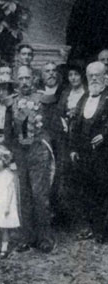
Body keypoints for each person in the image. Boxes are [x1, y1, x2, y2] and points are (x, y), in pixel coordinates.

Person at [5, 66, 55, 253]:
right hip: (20, 153)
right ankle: (28, 237)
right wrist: (11, 153)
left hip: (38, 151)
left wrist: (45, 146)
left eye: (27, 78)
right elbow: (8, 131)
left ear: (33, 79)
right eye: (21, 78)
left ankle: (45, 238)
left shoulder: (43, 99)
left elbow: (52, 126)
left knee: (39, 195)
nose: (24, 82)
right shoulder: (11, 103)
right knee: (24, 196)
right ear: (16, 81)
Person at [70, 61, 108, 243]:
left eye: (97, 75)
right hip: (84, 154)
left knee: (103, 190)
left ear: (104, 76)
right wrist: (73, 148)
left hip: (103, 154)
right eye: (90, 75)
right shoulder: (84, 98)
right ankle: (91, 227)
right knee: (86, 190)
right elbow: (75, 125)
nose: (94, 78)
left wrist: (105, 135)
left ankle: (103, 230)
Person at [53, 63, 87, 227]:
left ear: (82, 76)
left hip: (81, 140)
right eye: (70, 75)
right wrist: (63, 121)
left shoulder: (87, 94)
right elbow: (58, 113)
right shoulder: (66, 93)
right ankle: (67, 218)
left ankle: (83, 220)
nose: (73, 78)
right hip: (64, 140)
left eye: (76, 75)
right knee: (63, 176)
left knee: (80, 177)